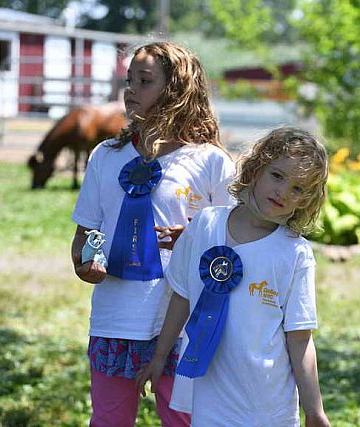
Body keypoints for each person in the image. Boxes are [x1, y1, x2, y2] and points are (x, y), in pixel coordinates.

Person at [70, 41, 234, 427]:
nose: (130, 91)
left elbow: (234, 241)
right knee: (108, 420)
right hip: (114, 321)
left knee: (183, 421)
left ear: (177, 91)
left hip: (182, 327)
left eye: (144, 81)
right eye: (128, 80)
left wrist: (196, 242)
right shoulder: (105, 157)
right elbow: (86, 233)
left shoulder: (210, 162)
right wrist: (85, 261)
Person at [136, 127, 331, 426]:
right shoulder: (205, 223)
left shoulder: (295, 254)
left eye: (298, 189)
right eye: (277, 176)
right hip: (210, 395)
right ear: (256, 169)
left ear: (306, 200)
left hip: (268, 406)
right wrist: (160, 356)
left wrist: (314, 409)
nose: (283, 191)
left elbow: (300, 338)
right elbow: (182, 296)